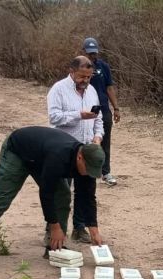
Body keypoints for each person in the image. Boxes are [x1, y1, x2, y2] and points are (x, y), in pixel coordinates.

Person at [0, 126, 105, 272]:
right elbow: (46, 193)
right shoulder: (59, 156)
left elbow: (88, 197)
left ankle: (55, 248)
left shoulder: (89, 163)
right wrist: (54, 226)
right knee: (1, 199)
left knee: (62, 197)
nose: (89, 173)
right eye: (88, 169)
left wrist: (93, 230)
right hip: (18, 152)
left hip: (41, 156)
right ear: (80, 157)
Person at [47, 55, 103, 244]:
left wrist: (98, 137)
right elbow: (54, 117)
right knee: (61, 191)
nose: (85, 81)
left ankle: (80, 228)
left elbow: (99, 118)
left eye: (88, 77)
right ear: (71, 72)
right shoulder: (58, 89)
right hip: (65, 150)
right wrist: (79, 115)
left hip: (87, 149)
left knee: (86, 191)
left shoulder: (92, 90)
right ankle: (54, 228)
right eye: (81, 77)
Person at [84, 37, 121, 186]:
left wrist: (116, 108)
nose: (92, 56)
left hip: (103, 108)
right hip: (86, 110)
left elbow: (109, 87)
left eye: (94, 53)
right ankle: (82, 171)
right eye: (89, 53)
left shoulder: (103, 67)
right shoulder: (80, 67)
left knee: (105, 141)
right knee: (85, 139)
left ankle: (105, 172)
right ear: (84, 52)